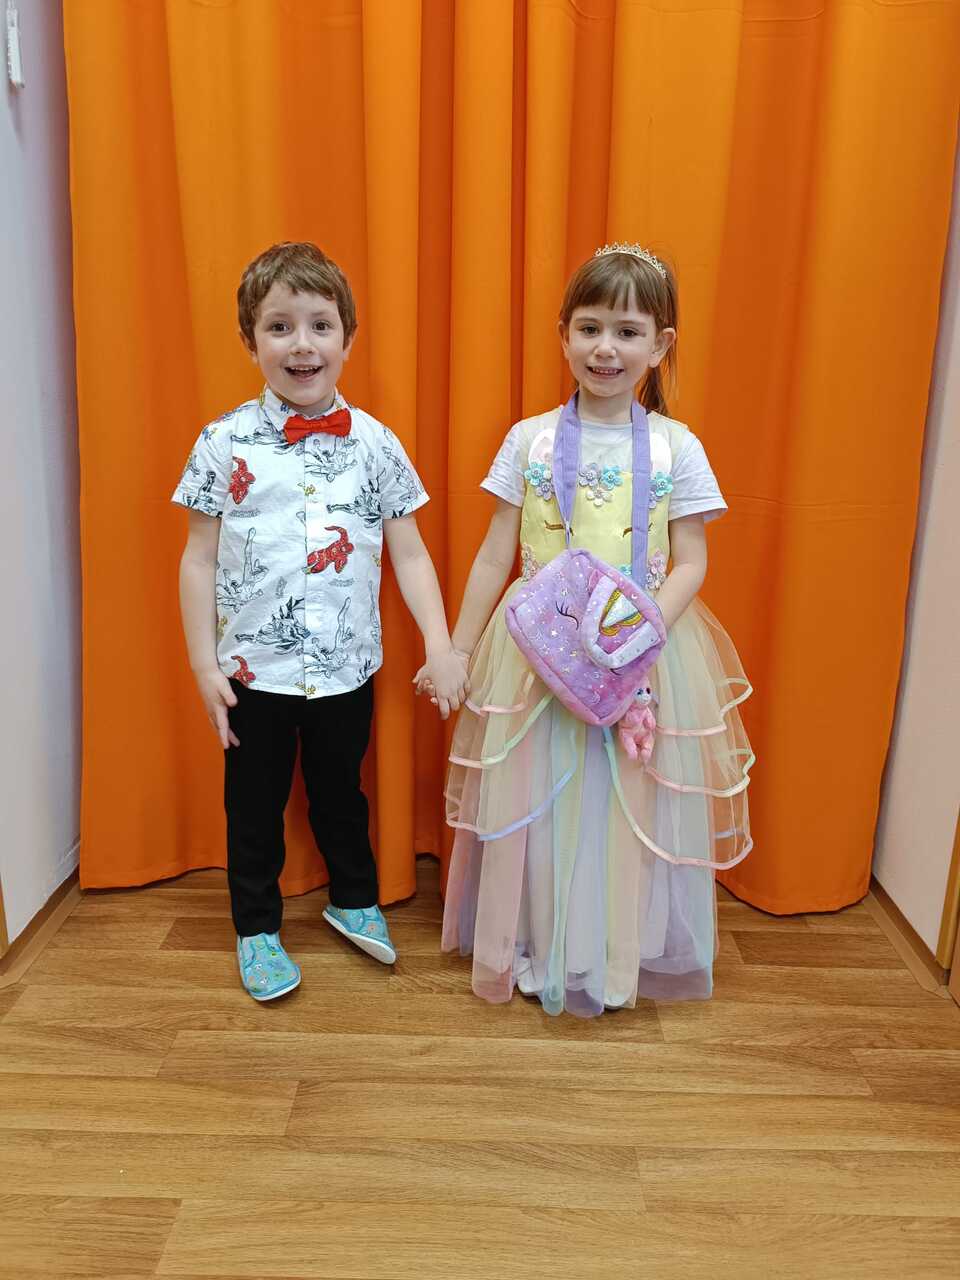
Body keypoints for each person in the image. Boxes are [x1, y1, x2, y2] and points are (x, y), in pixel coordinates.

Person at [420, 243, 753, 1017]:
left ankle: (611, 953)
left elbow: (692, 561)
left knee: (624, 798)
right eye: (591, 328)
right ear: (563, 334)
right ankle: (543, 945)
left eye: (628, 332)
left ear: (660, 345)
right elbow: (496, 550)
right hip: (537, 648)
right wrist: (458, 649)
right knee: (541, 794)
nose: (607, 348)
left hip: (640, 649)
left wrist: (638, 635)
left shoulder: (676, 446)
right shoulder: (530, 440)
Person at [174, 241, 467, 1001]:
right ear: (251, 341)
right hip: (254, 672)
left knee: (342, 791)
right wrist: (204, 665)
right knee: (254, 805)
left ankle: (353, 898)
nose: (301, 343)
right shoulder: (222, 442)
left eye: (320, 325)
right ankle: (257, 927)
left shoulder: (376, 443)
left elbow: (409, 554)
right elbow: (198, 559)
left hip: (346, 666)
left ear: (347, 337)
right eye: (279, 327)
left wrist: (440, 644)